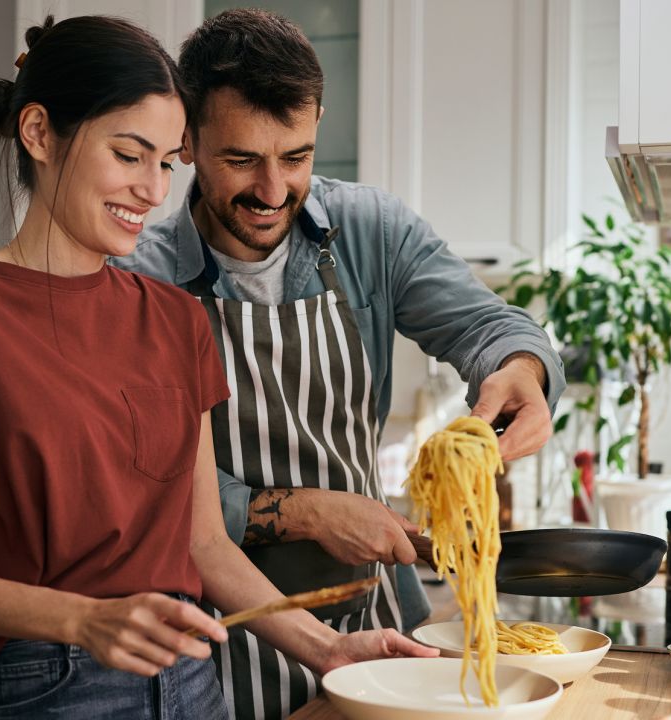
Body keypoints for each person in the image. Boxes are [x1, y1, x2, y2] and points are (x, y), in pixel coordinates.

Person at [0, 15, 434, 720]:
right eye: (129, 155)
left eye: (166, 162)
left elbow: (204, 544)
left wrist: (327, 650)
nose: (154, 191)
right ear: (38, 134)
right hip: (43, 688)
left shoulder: (173, 319)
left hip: (191, 685)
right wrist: (79, 620)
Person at [112, 9, 566, 719]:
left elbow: (489, 325)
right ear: (188, 143)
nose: (271, 190)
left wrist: (522, 370)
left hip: (373, 617)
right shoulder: (139, 278)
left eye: (296, 156)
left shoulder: (369, 231)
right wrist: (306, 513)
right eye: (241, 160)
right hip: (216, 638)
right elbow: (145, 493)